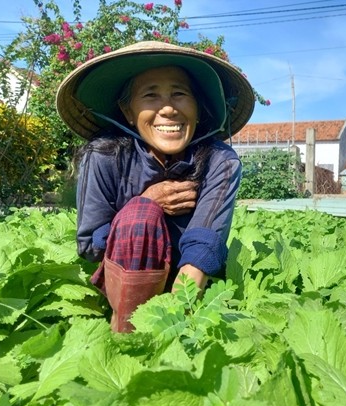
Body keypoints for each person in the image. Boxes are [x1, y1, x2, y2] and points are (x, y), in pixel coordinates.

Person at [56, 41, 255, 332]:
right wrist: (145, 203)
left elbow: (203, 246)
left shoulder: (219, 160)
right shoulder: (104, 155)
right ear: (127, 111)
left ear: (198, 108)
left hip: (187, 286)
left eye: (179, 94)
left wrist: (175, 323)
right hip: (122, 279)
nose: (168, 109)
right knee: (141, 215)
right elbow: (89, 245)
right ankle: (125, 329)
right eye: (150, 95)